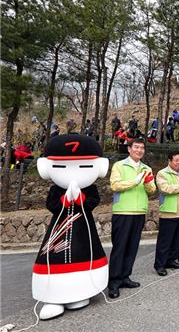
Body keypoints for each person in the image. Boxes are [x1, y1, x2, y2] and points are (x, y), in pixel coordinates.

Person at [32, 134, 109, 320]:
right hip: (59, 229)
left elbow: (94, 201)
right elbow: (51, 205)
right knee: (54, 257)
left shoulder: (89, 188)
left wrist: (81, 199)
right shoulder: (56, 189)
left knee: (84, 254)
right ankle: (53, 298)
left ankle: (81, 293)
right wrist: (65, 200)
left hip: (84, 228)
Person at [108, 138, 156, 299]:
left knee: (132, 247)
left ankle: (125, 276)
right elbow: (115, 185)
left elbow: (151, 190)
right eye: (136, 147)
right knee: (120, 247)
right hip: (123, 211)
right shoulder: (119, 166)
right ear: (129, 149)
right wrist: (134, 182)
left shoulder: (146, 168)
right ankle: (114, 281)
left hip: (139, 211)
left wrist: (149, 183)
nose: (139, 150)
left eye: (142, 148)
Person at [154, 152, 179, 276]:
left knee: (177, 239)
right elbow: (165, 189)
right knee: (165, 241)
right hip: (169, 212)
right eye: (176, 160)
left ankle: (171, 260)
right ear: (169, 161)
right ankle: (160, 265)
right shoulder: (162, 173)